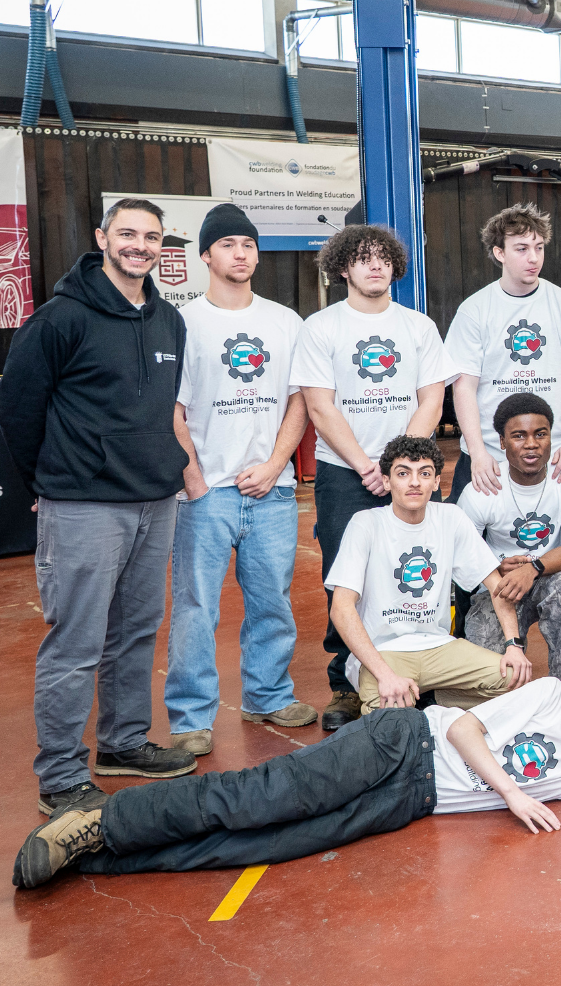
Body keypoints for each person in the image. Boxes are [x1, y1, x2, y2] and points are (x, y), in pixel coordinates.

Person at [13, 658, 561, 889]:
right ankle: (103, 819)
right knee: (259, 798)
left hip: (409, 800)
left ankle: (94, 854)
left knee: (270, 843)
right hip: (402, 742)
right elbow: (469, 727)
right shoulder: (554, 699)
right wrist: (510, 793)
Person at [0, 196, 196, 817]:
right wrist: (48, 483)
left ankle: (122, 744)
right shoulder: (60, 319)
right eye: (128, 233)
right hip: (83, 504)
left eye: (152, 236)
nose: (140, 245)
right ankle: (59, 774)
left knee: (135, 633)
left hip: (153, 501)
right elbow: (18, 410)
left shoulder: (169, 321)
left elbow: (164, 408)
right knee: (76, 643)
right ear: (102, 237)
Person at [290, 225, 454, 732]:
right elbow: (320, 405)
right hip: (345, 474)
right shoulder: (321, 327)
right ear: (343, 268)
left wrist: (402, 465)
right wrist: (368, 465)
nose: (375, 265)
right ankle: (346, 683)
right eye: (363, 258)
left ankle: (424, 673)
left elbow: (433, 398)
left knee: (421, 567)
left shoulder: (419, 326)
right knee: (345, 579)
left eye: (383, 257)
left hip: (412, 472)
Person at [166, 204, 315, 758]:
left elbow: (300, 399)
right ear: (205, 254)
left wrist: (278, 465)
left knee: (271, 599)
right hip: (205, 493)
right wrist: (197, 482)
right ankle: (190, 716)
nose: (241, 254)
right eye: (228, 244)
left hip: (271, 491)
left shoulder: (284, 321)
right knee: (196, 607)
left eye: (248, 245)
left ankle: (269, 695)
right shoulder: (181, 320)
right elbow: (171, 408)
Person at [328, 436, 529, 716]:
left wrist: (513, 646)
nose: (414, 482)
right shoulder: (366, 524)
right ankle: (424, 706)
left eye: (424, 473)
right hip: (385, 652)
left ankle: (430, 700)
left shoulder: (450, 517)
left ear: (436, 482)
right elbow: (341, 608)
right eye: (403, 473)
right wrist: (384, 674)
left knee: (515, 680)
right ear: (386, 481)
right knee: (387, 716)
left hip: (438, 647)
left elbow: (496, 586)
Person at [445, 203, 561, 497]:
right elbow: (464, 389)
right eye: (521, 249)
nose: (533, 258)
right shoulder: (474, 311)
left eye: (539, 247)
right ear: (499, 253)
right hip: (489, 457)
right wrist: (478, 453)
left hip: (554, 457)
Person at [456, 393, 561, 689]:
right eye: (519, 436)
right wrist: (497, 567)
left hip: (552, 576)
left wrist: (532, 568)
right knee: (488, 674)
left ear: (551, 437)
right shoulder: (481, 489)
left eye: (540, 434)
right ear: (502, 441)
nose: (531, 444)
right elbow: (463, 555)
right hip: (501, 585)